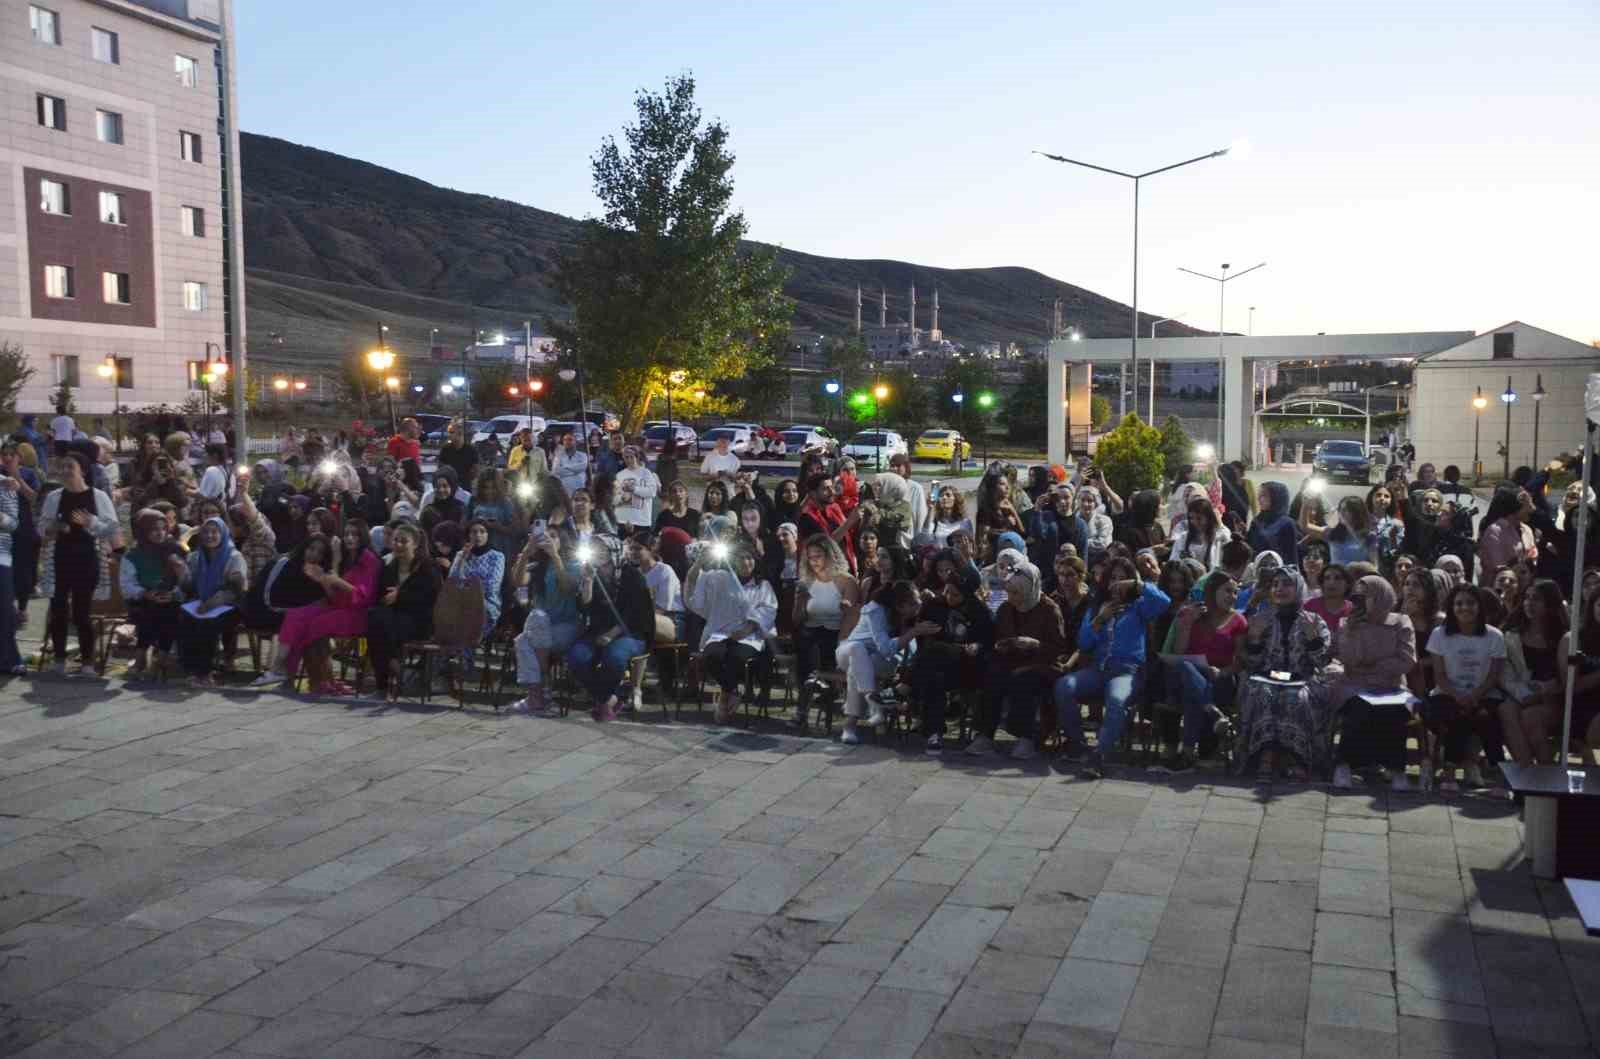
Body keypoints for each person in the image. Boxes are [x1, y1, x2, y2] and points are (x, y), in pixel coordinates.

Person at [1054, 557, 1170, 774]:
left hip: (1126, 672)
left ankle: (1099, 754)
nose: (1117, 583)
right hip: (1098, 670)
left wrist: (1137, 585)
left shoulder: (1139, 607)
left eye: (1122, 578)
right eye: (1113, 578)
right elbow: (1084, 643)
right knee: (1064, 686)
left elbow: (1164, 602)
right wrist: (1099, 619)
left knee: (1116, 699)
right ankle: (1078, 745)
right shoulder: (1098, 606)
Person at [250, 519, 379, 694]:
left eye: (354, 534)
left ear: (363, 536)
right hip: (339, 608)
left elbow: (363, 597)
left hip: (358, 613)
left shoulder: (368, 559)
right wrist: (325, 580)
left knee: (311, 626)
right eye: (347, 533)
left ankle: (315, 680)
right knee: (297, 616)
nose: (349, 538)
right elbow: (333, 595)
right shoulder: (345, 557)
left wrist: (333, 578)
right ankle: (285, 674)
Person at [1235, 568, 1334, 782]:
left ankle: (1296, 759)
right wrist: (1254, 640)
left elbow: (1322, 663)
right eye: (1276, 584)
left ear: (1298, 588)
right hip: (1268, 676)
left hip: (1302, 679)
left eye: (1287, 584)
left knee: (1296, 697)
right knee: (1263, 692)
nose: (1280, 589)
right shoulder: (1262, 619)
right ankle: (1265, 757)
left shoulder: (1314, 621)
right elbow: (1252, 663)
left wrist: (1312, 639)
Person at [1328, 575, 1419, 790]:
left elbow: (1407, 659)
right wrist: (1352, 630)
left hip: (1391, 685)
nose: (1358, 602)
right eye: (1356, 597)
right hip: (1355, 685)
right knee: (1359, 707)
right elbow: (1350, 660)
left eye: (1364, 597)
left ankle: (1396, 769)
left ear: (1380, 596)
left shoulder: (1400, 622)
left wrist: (1375, 667)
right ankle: (1344, 766)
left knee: (1396, 710)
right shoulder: (1347, 623)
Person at [39, 455, 118, 675]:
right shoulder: (54, 497)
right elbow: (42, 526)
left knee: (82, 613)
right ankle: (59, 660)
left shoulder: (98, 496)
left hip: (87, 559)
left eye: (70, 467)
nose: (65, 471)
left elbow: (111, 527)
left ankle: (87, 662)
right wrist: (52, 528)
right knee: (58, 610)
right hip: (60, 559)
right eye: (62, 467)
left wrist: (90, 522)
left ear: (82, 470)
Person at [1423, 585, 1507, 791]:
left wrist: (1474, 695)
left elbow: (1493, 676)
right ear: (1452, 607)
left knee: (1486, 717)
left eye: (1470, 603)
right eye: (1459, 603)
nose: (1464, 608)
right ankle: (1449, 770)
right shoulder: (1439, 634)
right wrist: (1459, 696)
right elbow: (1440, 676)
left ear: (1480, 606)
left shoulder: (1494, 636)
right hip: (1447, 693)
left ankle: (1498, 773)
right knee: (1456, 713)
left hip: (1485, 694)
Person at [686, 541, 778, 725]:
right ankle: (732, 691)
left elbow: (768, 610)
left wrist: (749, 628)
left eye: (749, 558)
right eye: (740, 558)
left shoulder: (763, 585)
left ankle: (724, 698)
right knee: (711, 656)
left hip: (749, 636)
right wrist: (699, 563)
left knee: (736, 657)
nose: (745, 562)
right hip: (720, 632)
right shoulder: (719, 578)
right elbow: (694, 584)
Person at [1165, 572, 1248, 771]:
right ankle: (1212, 711)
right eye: (1228, 591)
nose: (1233, 596)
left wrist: (1222, 672)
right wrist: (1186, 625)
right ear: (1211, 592)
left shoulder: (1239, 621)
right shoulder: (1192, 614)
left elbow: (1240, 662)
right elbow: (1178, 653)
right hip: (1190, 674)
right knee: (1187, 670)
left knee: (1194, 693)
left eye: (1236, 592)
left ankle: (1186, 752)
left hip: (1221, 679)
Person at [565, 534, 653, 720]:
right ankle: (608, 698)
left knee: (614, 657)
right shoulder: (592, 573)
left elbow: (635, 613)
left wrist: (612, 634)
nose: (597, 553)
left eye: (601, 548)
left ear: (613, 551)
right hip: (598, 629)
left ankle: (605, 700)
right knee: (577, 657)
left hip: (630, 632)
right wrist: (588, 581)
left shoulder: (632, 575)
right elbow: (584, 606)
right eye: (594, 548)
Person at [910, 567, 992, 754]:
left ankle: (904, 687)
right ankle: (935, 733)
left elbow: (987, 642)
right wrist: (922, 629)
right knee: (934, 676)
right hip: (935, 665)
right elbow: (922, 636)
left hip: (967, 667)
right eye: (947, 591)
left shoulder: (979, 611)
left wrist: (977, 646)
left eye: (955, 594)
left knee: (935, 651)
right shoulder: (935, 605)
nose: (949, 597)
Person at [834, 580, 925, 744]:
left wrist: (913, 632)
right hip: (848, 651)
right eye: (912, 604)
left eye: (918, 602)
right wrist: (913, 633)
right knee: (858, 649)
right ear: (899, 606)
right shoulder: (876, 610)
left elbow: (897, 652)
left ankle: (850, 725)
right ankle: (874, 703)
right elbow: (885, 647)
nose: (917, 607)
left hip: (880, 661)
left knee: (859, 667)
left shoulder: (915, 615)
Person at [364, 522, 441, 702]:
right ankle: (390, 671)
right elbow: (380, 596)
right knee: (376, 619)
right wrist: (389, 599)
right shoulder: (388, 566)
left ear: (414, 544)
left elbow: (431, 598)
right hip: (391, 619)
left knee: (380, 625)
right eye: (395, 540)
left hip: (419, 621)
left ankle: (388, 676)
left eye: (403, 541)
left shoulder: (428, 567)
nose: (398, 545)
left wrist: (401, 595)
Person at [1497, 578, 1568, 767]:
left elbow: (1565, 678)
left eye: (1536, 599)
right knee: (1506, 709)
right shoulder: (1511, 636)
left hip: (1552, 699)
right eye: (1527, 598)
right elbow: (1505, 675)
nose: (1529, 603)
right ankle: (1525, 769)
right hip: (1521, 695)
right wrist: (1524, 694)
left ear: (1550, 604)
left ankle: (1546, 775)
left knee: (1531, 716)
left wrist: (1541, 690)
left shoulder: (1563, 637)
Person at [790, 535, 859, 729]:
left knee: (815, 648)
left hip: (837, 634)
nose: (814, 562)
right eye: (810, 557)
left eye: (818, 556)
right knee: (804, 645)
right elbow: (796, 620)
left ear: (830, 555)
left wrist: (845, 605)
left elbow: (851, 616)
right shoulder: (806, 582)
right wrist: (801, 600)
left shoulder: (846, 581)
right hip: (810, 633)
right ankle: (803, 707)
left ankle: (809, 703)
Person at [511, 528, 582, 714]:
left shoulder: (573, 564)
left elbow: (567, 588)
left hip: (565, 626)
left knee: (524, 639)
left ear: (562, 541)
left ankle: (538, 694)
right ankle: (541, 694)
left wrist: (555, 557)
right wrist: (527, 552)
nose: (548, 539)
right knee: (536, 620)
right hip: (540, 627)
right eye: (545, 536)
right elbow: (518, 582)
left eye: (553, 536)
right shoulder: (537, 565)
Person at [175, 516, 248, 687]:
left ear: (223, 533)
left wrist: (211, 604)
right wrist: (181, 574)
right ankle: (191, 670)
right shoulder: (196, 557)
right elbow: (189, 586)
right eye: (206, 532)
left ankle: (205, 673)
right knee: (184, 619)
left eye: (214, 532)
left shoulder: (234, 557)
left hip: (229, 606)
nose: (209, 536)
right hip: (202, 604)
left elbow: (234, 590)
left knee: (207, 624)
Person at [795, 474, 859, 573]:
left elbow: (847, 535)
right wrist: (850, 521)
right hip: (822, 574)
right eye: (825, 489)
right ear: (813, 494)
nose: (832, 492)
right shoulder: (806, 517)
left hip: (843, 568)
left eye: (832, 487)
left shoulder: (834, 507)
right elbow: (825, 545)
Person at [1478, 484, 1537, 586]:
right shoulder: (1495, 531)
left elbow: (1533, 559)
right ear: (1514, 508)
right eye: (1526, 506)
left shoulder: (1527, 530)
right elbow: (1498, 566)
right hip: (1499, 587)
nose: (1532, 509)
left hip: (1524, 587)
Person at [1304, 496, 1378, 567]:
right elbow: (1305, 526)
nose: (1341, 513)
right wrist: (1306, 504)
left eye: (1346, 510)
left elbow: (1374, 565)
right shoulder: (1333, 532)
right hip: (1336, 578)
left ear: (1357, 512)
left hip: (1357, 578)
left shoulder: (1369, 536)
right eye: (1340, 509)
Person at [1247, 482, 1299, 571]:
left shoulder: (1287, 523)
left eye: (1264, 496)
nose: (1259, 499)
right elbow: (1251, 547)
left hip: (1278, 574)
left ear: (1276, 498)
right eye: (1259, 495)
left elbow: (1291, 555)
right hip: (1256, 572)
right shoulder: (1257, 521)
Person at [467, 470, 520, 557]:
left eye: (493, 488)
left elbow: (515, 529)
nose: (489, 491)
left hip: (499, 548)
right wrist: (477, 522)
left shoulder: (505, 502)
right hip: (476, 548)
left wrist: (498, 527)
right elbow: (464, 524)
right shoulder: (473, 500)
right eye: (485, 487)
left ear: (498, 487)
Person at [1168, 496, 1230, 570]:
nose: (1194, 522)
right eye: (1191, 518)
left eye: (1199, 518)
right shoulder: (1183, 538)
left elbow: (1218, 566)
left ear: (1208, 518)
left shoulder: (1219, 538)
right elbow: (1173, 562)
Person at [614, 446, 659, 537]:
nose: (629, 459)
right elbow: (614, 497)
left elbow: (652, 492)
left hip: (641, 520)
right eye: (626, 457)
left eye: (632, 456)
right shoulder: (619, 475)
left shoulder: (646, 473)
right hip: (622, 519)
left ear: (637, 457)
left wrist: (634, 489)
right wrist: (621, 498)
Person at [1306, 563, 1355, 635]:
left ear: (1347, 584)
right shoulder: (1309, 607)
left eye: (1338, 578)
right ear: (1322, 583)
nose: (1331, 582)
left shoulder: (1353, 610)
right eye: (1327, 578)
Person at [421, 469, 467, 534]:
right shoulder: (428, 511)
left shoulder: (460, 508)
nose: (441, 490)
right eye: (437, 486)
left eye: (445, 486)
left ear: (452, 487)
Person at [553, 432, 590, 497]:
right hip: (564, 492)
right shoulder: (558, 456)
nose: (567, 442)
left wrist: (564, 468)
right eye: (565, 440)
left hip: (579, 491)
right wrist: (575, 471)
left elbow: (581, 468)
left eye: (570, 439)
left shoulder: (583, 456)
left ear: (575, 441)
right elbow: (556, 471)